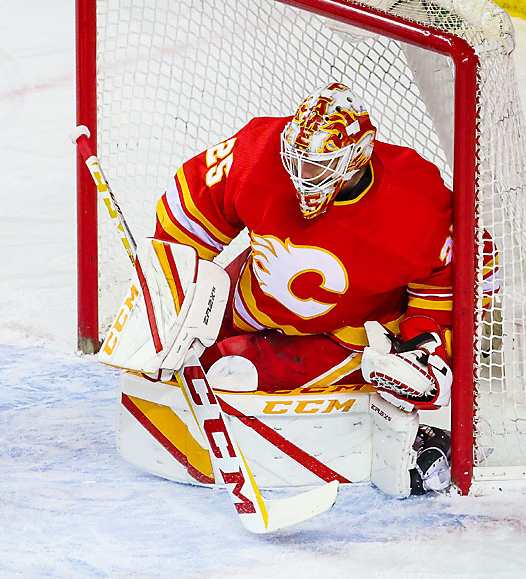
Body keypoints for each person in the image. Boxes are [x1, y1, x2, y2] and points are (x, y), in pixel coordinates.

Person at [146, 82, 456, 494]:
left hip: (345, 335)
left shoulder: (416, 198)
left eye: (320, 166)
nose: (303, 177)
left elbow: (448, 282)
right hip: (249, 298)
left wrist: (427, 348)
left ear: (358, 159)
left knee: (230, 372)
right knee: (158, 357)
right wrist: (173, 293)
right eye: (298, 160)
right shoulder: (259, 150)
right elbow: (190, 210)